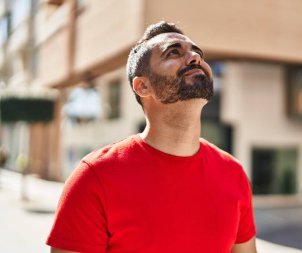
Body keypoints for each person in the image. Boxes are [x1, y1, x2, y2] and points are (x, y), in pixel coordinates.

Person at [46, 21, 257, 253]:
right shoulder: (94, 177)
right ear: (142, 86)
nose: (194, 58)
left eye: (197, 52)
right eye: (174, 52)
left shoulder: (233, 173)